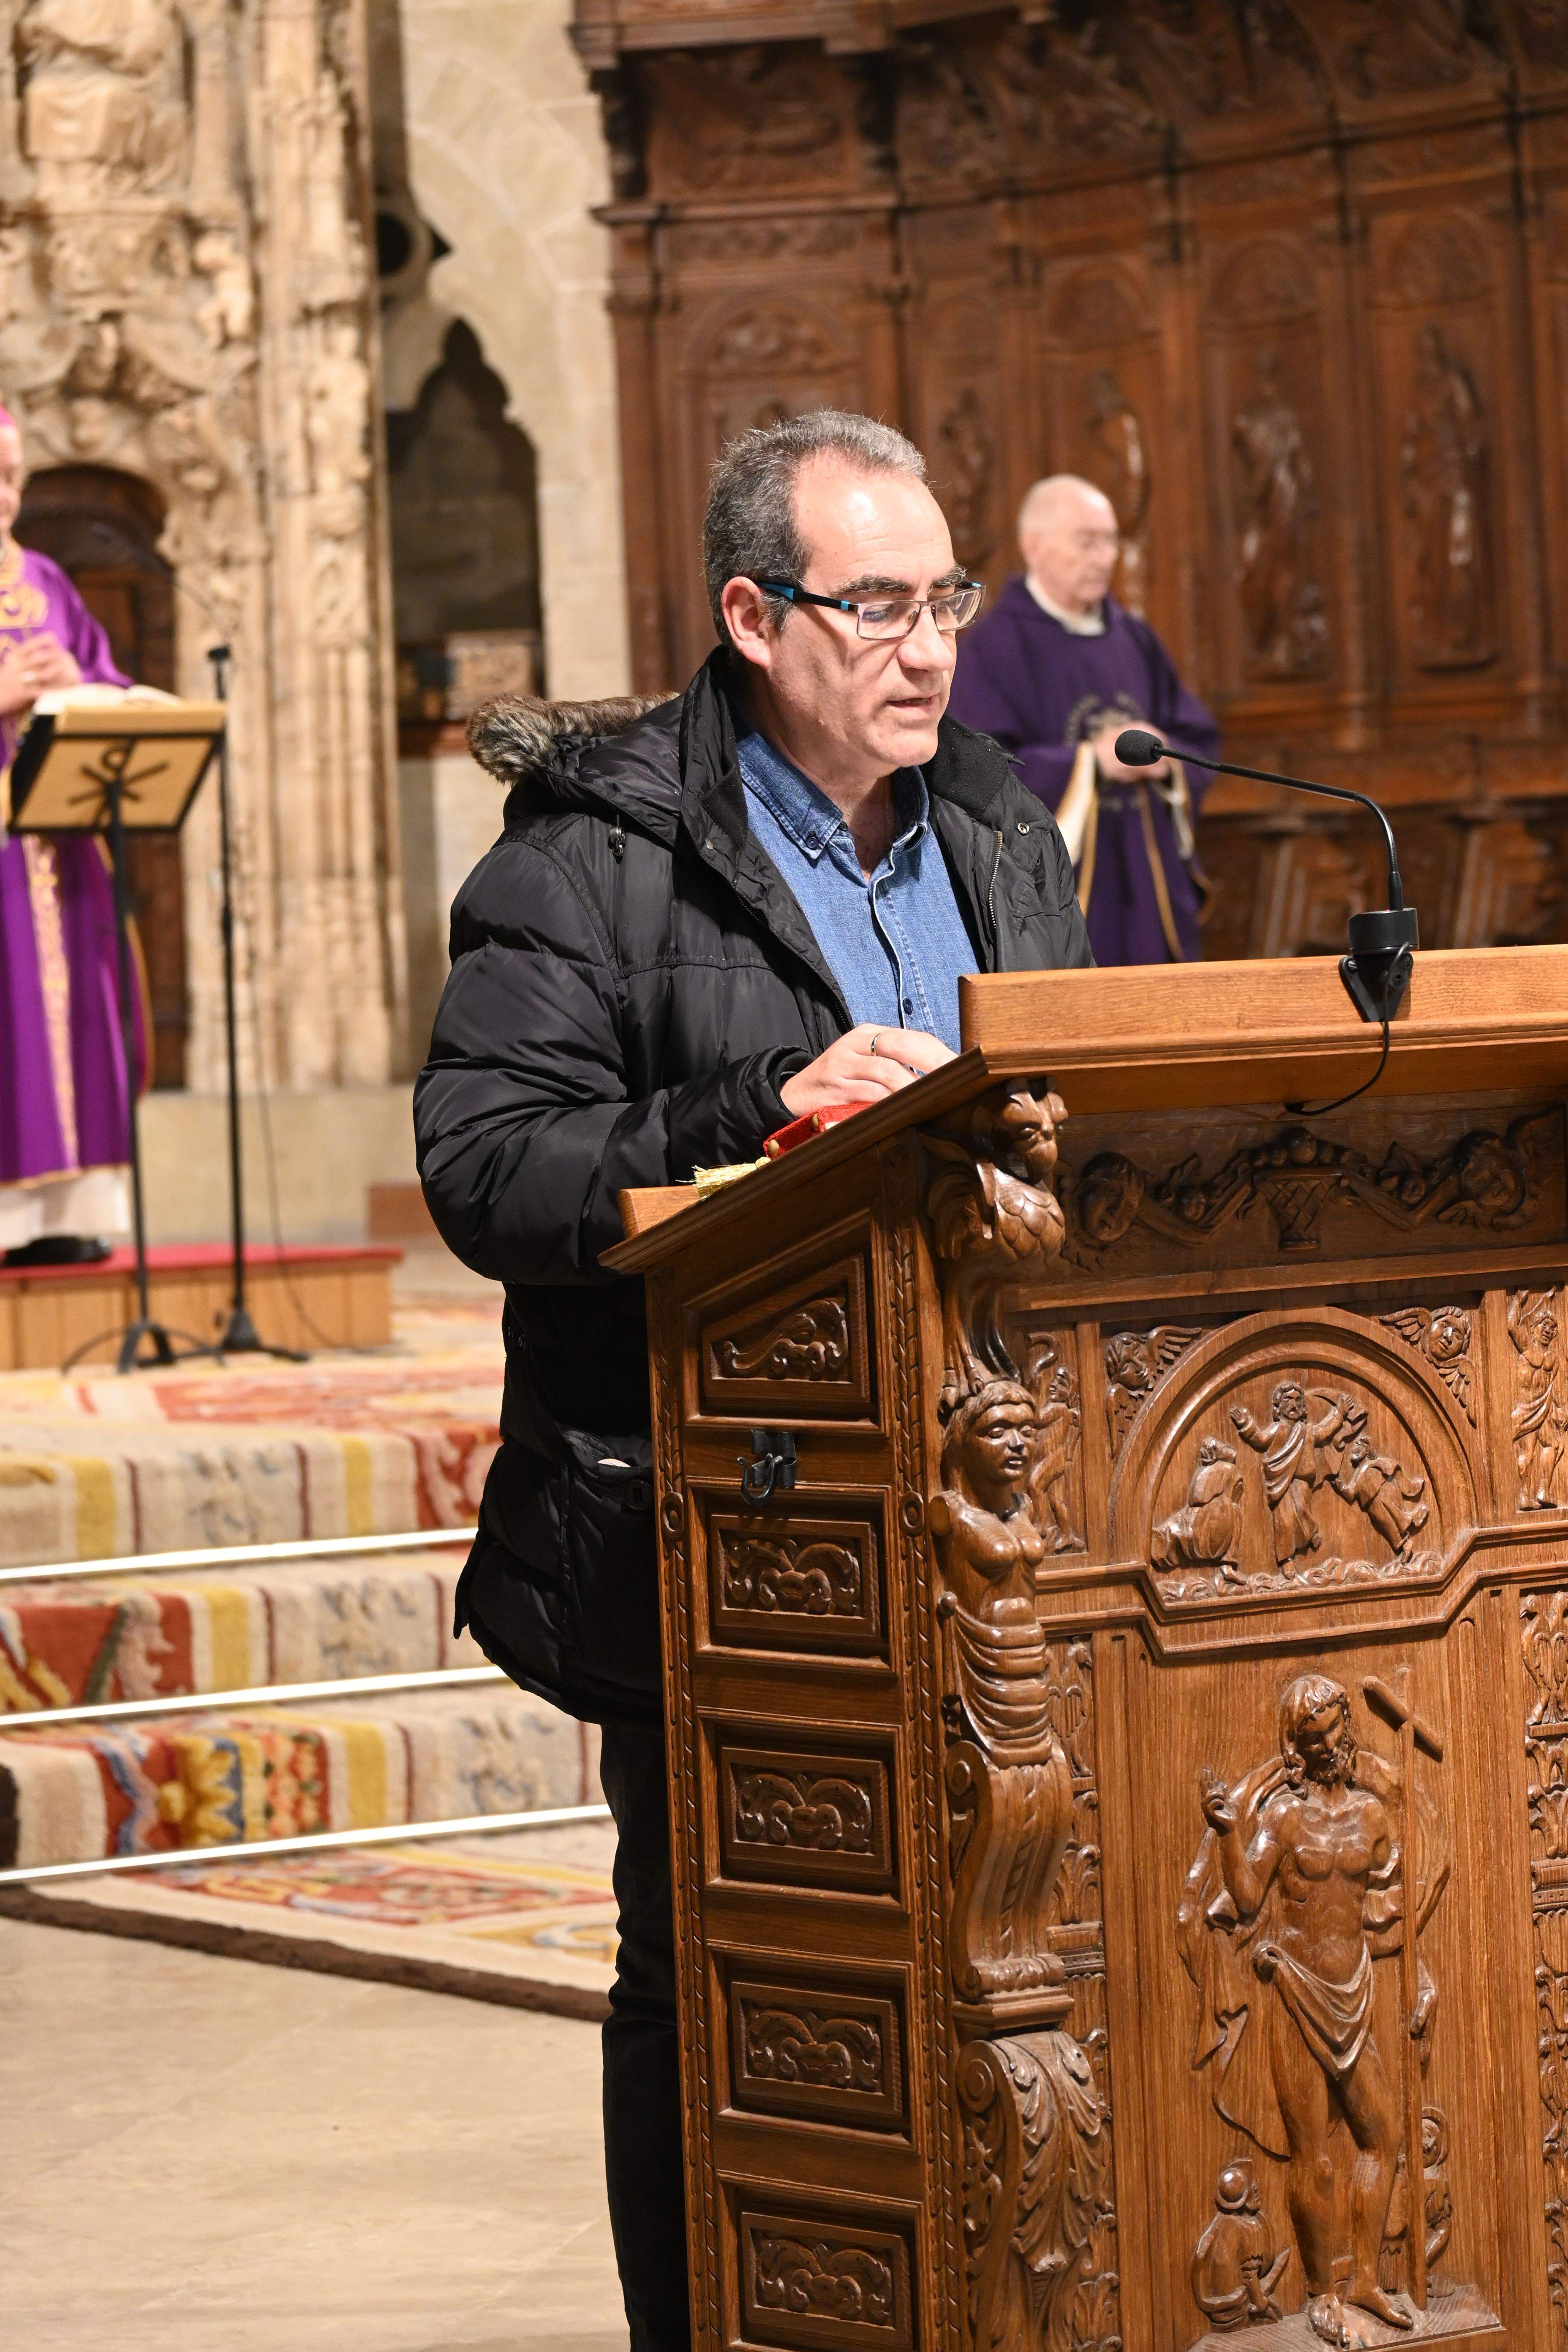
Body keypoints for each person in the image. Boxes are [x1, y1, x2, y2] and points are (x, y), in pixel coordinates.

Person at [414, 408, 1091, 2351]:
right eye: (873, 602)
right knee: (717, 1961)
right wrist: (753, 1110)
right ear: (751, 612)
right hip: (718, 1515)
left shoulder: (993, 822)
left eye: (943, 595)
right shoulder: (596, 850)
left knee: (1017, 1953)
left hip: (1006, 1496)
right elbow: (487, 1162)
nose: (928, 643)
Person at [948, 472, 1220, 966]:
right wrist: (1086, 763)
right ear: (1034, 546)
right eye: (1088, 542)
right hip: (1064, 890)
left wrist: (1166, 760)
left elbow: (1197, 737)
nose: (1105, 557)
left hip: (1147, 876)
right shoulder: (993, 650)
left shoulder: (1134, 640)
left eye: (1111, 541)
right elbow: (975, 773)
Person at [0, 402, 142, 1266]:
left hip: (59, 843)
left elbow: (108, 681)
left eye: (12, 475)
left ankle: (64, 1216)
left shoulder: (46, 580)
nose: (2, 494)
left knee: (78, 1022)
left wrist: (74, 685)